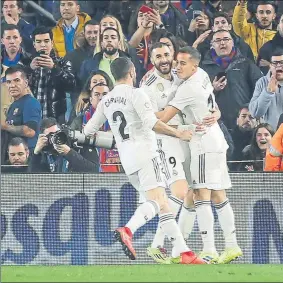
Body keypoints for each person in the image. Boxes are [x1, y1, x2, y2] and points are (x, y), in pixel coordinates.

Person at [83, 57, 204, 264]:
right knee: (157, 201)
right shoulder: (136, 94)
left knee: (162, 204)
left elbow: (88, 131)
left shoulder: (106, 100)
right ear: (132, 72)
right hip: (147, 154)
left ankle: (183, 252)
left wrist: (119, 140)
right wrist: (178, 134)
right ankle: (128, 229)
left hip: (127, 161)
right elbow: (152, 124)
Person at [156, 46, 242, 264]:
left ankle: (209, 250)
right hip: (215, 140)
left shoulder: (189, 88)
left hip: (203, 143)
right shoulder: (203, 75)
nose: (177, 67)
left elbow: (164, 117)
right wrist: (217, 112)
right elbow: (213, 106)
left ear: (194, 65)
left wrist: (140, 112)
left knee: (200, 195)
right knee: (218, 195)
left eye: (182, 63)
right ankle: (231, 246)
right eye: (177, 62)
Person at [142, 42, 216, 263]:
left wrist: (217, 114)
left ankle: (175, 248)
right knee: (181, 191)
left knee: (193, 193)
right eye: (159, 57)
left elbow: (209, 100)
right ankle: (159, 245)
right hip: (166, 139)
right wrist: (175, 132)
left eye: (167, 55)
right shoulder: (148, 85)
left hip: (188, 137)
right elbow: (149, 120)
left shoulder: (183, 73)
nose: (164, 60)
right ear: (152, 60)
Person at [200, 29, 263, 129]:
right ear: (212, 44)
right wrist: (213, 89)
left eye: (226, 39)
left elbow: (260, 88)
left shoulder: (246, 63)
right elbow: (198, 96)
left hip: (244, 121)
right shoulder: (204, 67)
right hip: (216, 122)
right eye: (218, 40)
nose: (222, 43)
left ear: (232, 43)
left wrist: (249, 109)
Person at [29, 26, 76, 124]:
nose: (43, 45)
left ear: (52, 43)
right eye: (39, 42)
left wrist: (54, 68)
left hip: (55, 117)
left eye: (46, 41)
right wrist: (29, 70)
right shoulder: (27, 63)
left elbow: (71, 85)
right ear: (34, 44)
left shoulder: (62, 62)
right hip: (31, 117)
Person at [29, 117, 99, 173]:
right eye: (51, 135)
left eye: (57, 133)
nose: (56, 137)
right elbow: (34, 179)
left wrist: (69, 153)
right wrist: (36, 153)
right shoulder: (44, 152)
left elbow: (94, 170)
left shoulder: (79, 144)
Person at [1, 65, 41, 156]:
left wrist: (4, 126)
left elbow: (30, 131)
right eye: (8, 82)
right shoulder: (13, 105)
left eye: (17, 80)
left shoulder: (31, 102)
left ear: (26, 83)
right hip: (14, 156)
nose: (12, 85)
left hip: (27, 157)